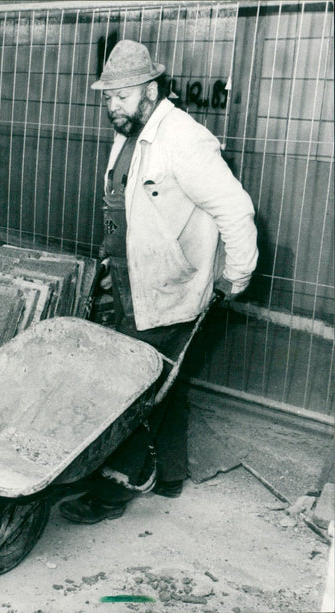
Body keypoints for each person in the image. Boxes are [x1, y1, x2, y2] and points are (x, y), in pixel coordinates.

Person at [58, 40, 258, 524]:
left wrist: (236, 274)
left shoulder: (184, 141)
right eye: (107, 97)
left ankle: (113, 491)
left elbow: (235, 209)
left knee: (131, 393)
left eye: (121, 96)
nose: (112, 106)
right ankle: (169, 475)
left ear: (150, 91)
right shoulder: (129, 134)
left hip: (169, 289)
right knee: (166, 381)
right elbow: (121, 204)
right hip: (129, 283)